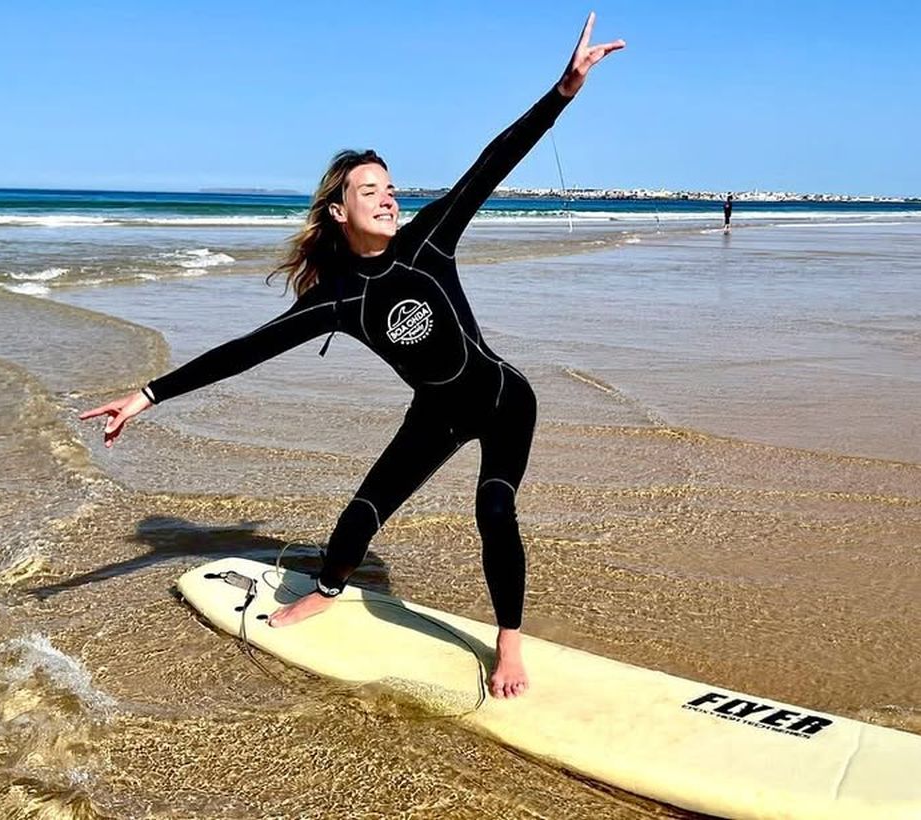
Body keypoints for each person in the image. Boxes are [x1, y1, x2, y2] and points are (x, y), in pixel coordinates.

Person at [80, 13, 624, 699]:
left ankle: (508, 643)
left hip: (502, 399)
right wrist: (148, 395)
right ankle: (328, 590)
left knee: (493, 510)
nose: (388, 197)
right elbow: (245, 351)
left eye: (389, 188)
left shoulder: (428, 242)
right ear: (339, 212)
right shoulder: (336, 300)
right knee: (359, 518)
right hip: (438, 413)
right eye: (371, 190)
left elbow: (493, 161)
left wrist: (563, 90)